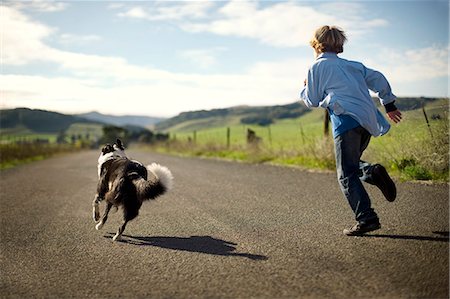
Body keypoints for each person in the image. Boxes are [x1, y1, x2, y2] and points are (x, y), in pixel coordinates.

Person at [299, 25, 402, 236]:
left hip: (346, 121)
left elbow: (312, 100)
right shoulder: (353, 66)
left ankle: (367, 218)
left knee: (346, 174)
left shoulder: (316, 68)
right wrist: (389, 104)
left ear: (316, 44)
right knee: (351, 165)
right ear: (340, 45)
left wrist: (305, 86)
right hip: (367, 120)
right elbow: (378, 78)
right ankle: (372, 172)